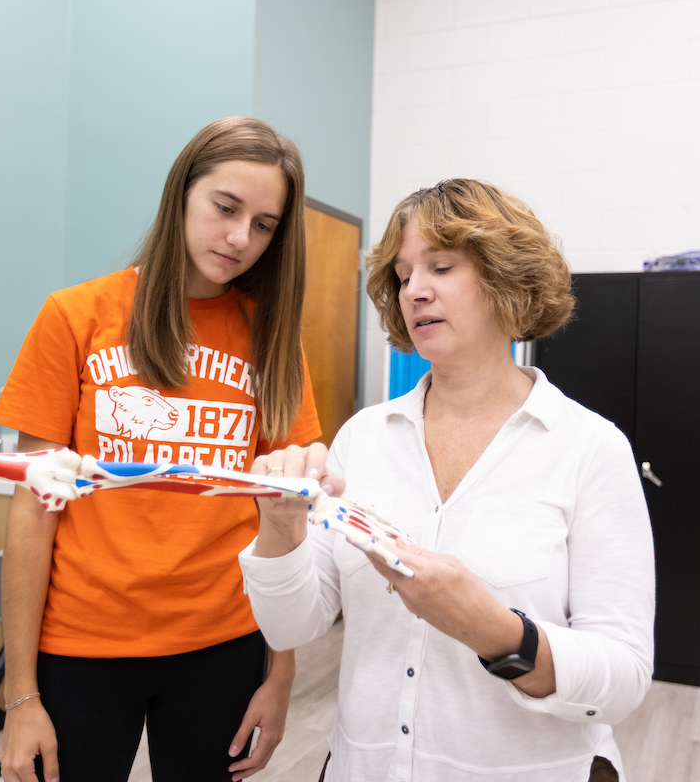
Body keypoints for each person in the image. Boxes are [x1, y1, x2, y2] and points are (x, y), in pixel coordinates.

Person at [240, 179, 655, 781]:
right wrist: (280, 527)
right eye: (404, 275)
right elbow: (295, 623)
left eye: (441, 266)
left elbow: (622, 678)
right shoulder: (364, 437)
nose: (415, 291)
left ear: (505, 278)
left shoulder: (589, 448)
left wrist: (494, 631)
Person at [0, 117, 322, 782]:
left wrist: (280, 675)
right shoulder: (75, 316)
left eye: (264, 225)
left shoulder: (271, 339)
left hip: (224, 643)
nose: (240, 238)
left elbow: (287, 518)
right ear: (181, 195)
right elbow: (33, 513)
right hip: (83, 643)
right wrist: (20, 692)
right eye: (225, 208)